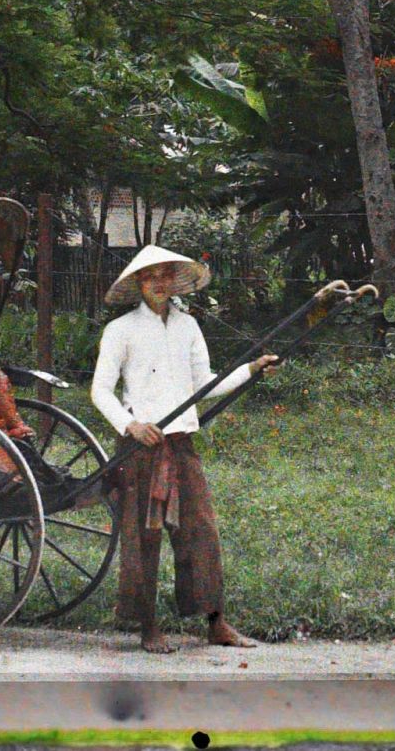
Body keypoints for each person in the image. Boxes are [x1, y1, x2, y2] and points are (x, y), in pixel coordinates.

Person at [90, 244, 280, 653]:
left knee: (200, 530)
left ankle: (216, 623)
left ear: (174, 281)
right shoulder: (120, 330)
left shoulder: (188, 326)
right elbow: (100, 391)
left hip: (180, 443)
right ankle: (148, 628)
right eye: (149, 276)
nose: (158, 283)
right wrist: (131, 425)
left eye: (164, 275)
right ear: (139, 283)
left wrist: (251, 369)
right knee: (144, 538)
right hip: (139, 447)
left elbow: (204, 383)